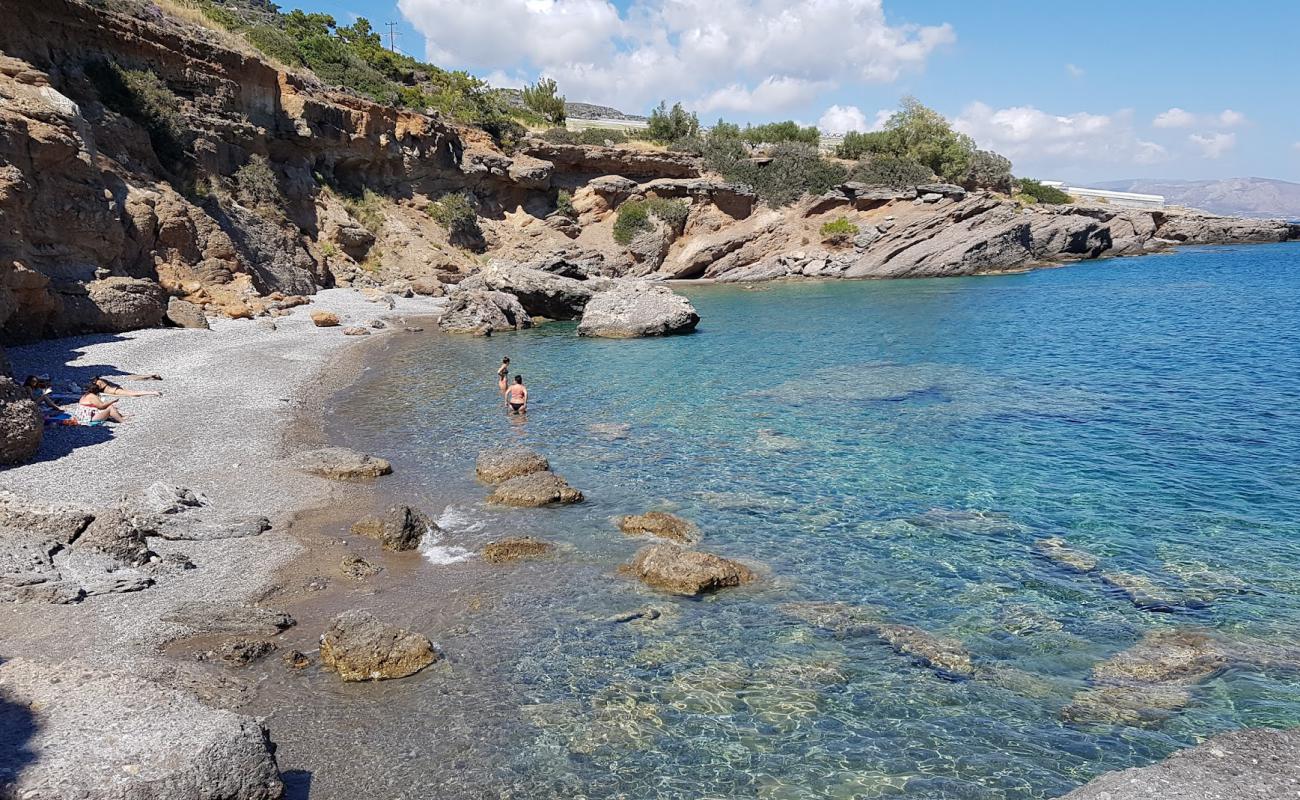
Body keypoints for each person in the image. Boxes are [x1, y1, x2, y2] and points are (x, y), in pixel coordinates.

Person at [92, 375, 161, 398]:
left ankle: (152, 392)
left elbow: (97, 390)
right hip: (115, 388)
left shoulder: (97, 383)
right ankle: (152, 391)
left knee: (134, 393)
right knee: (133, 392)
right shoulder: (101, 380)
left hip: (114, 391)